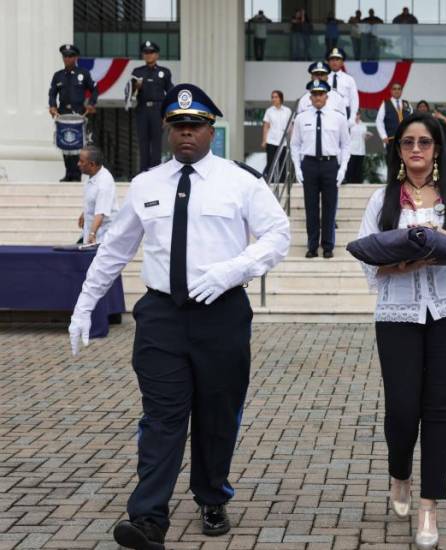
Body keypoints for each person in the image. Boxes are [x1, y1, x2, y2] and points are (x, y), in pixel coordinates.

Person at [67, 83, 291, 550]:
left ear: (212, 130)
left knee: (217, 414)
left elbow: (277, 235)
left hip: (222, 312)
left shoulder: (241, 181)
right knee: (162, 416)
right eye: (178, 127)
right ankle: (148, 518)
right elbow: (115, 249)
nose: (186, 134)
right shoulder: (147, 184)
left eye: (196, 126)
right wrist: (84, 305)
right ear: (168, 132)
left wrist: (233, 270)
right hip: (162, 315)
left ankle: (211, 496)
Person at [356, 112, 446, 550]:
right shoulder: (382, 199)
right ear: (398, 149)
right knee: (403, 409)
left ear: (436, 150)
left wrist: (441, 239)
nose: (415, 150)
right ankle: (399, 472)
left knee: (439, 409)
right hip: (398, 315)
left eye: (424, 142)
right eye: (408, 142)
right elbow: (368, 261)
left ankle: (429, 506)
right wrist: (402, 262)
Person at [290, 79, 350, 259]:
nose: (318, 97)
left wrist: (342, 170)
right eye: (314, 94)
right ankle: (312, 246)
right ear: (310, 96)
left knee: (330, 207)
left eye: (321, 94)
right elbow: (294, 145)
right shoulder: (301, 118)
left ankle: (328, 246)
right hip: (309, 165)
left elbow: (346, 145)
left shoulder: (338, 117)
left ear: (326, 96)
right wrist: (297, 169)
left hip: (330, 164)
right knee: (311, 208)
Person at [49, 44, 98, 182]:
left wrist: (91, 104)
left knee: (77, 145)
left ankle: (76, 174)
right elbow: (52, 93)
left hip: (79, 114)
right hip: (63, 114)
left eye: (70, 56)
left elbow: (94, 89)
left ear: (76, 57)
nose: (67, 59)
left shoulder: (83, 74)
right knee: (65, 143)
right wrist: (52, 106)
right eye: (65, 56)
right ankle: (68, 173)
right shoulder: (58, 76)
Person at [131, 41, 174, 174]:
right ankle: (143, 173)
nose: (149, 55)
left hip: (158, 110)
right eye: (146, 53)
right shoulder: (137, 72)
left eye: (151, 53)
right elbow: (130, 94)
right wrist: (135, 87)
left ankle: (156, 173)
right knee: (143, 142)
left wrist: (168, 114)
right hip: (142, 110)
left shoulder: (164, 72)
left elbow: (170, 93)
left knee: (156, 143)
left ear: (157, 55)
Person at [77, 145, 117, 244]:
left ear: (92, 164)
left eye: (82, 161)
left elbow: (100, 213)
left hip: (102, 237)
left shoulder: (104, 183)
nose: (78, 164)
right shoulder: (92, 176)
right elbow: (93, 200)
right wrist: (84, 213)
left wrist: (92, 234)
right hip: (92, 232)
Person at [376, 82, 414, 175]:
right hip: (391, 139)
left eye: (399, 89)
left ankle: (406, 184)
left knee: (406, 162)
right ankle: (392, 186)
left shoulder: (407, 104)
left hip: (406, 139)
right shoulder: (385, 104)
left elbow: (413, 120)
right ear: (391, 91)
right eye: (394, 89)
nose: (397, 91)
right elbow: (379, 121)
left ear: (401, 91)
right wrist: (383, 136)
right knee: (392, 163)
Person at [261, 90, 292, 182]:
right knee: (271, 162)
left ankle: (282, 182)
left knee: (282, 162)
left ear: (281, 98)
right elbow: (266, 126)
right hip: (271, 140)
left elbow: (290, 127)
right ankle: (271, 180)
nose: (273, 99)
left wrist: (292, 140)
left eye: (276, 97)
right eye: (272, 97)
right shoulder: (269, 111)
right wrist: (264, 140)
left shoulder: (287, 111)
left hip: (283, 142)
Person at [327, 47, 359, 124]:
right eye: (332, 59)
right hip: (327, 112)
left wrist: (352, 116)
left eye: (337, 59)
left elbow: (354, 99)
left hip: (344, 112)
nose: (334, 62)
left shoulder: (349, 79)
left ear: (342, 62)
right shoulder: (324, 78)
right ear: (328, 62)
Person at [346, 110, 371, 183]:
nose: (357, 116)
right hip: (351, 149)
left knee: (359, 168)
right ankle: (349, 181)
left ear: (360, 115)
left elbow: (364, 138)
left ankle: (357, 182)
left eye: (358, 114)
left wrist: (368, 136)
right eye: (356, 114)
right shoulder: (349, 124)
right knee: (350, 167)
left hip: (361, 149)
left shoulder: (363, 125)